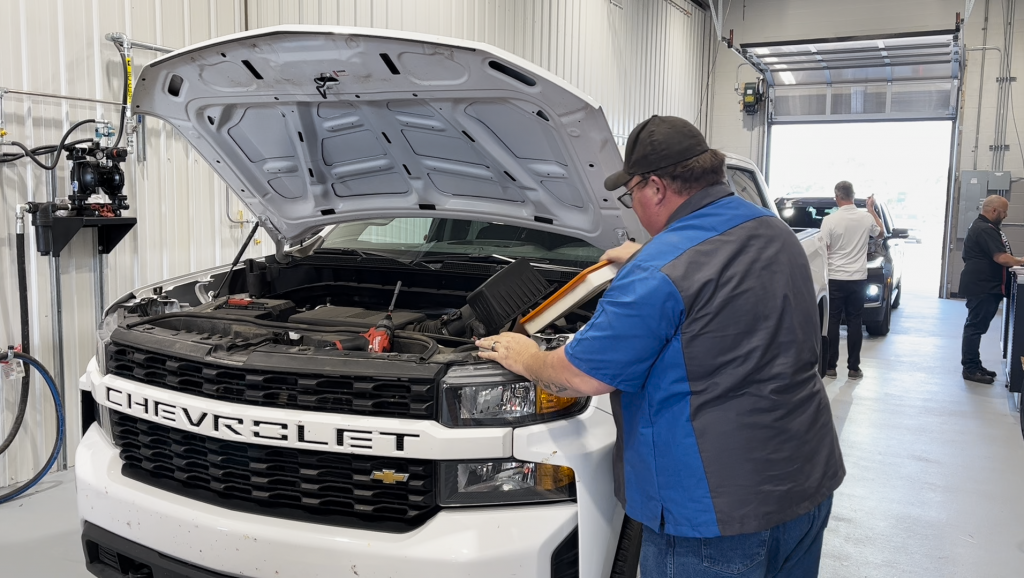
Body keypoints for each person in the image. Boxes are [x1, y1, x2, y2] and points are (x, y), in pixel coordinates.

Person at [475, 116, 845, 577]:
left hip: (713, 517)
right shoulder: (773, 233)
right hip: (805, 485)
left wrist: (526, 355)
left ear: (654, 187)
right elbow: (720, 281)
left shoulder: (657, 273)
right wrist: (646, 257)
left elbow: (580, 376)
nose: (633, 206)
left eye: (630, 194)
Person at [819, 181, 884, 380]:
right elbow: (881, 233)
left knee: (833, 321)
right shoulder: (865, 218)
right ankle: (854, 368)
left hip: (835, 278)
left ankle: (830, 366)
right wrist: (871, 209)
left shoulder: (829, 220)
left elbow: (824, 248)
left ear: (837, 197)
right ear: (853, 196)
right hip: (857, 278)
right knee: (856, 321)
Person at [959, 195, 1024, 384]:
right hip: (982, 286)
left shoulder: (986, 227)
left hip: (986, 285)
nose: (1006, 215)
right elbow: (1001, 258)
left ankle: (975, 364)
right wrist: (1021, 260)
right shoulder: (984, 228)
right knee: (974, 327)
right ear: (994, 210)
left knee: (976, 326)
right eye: (1004, 212)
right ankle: (970, 368)